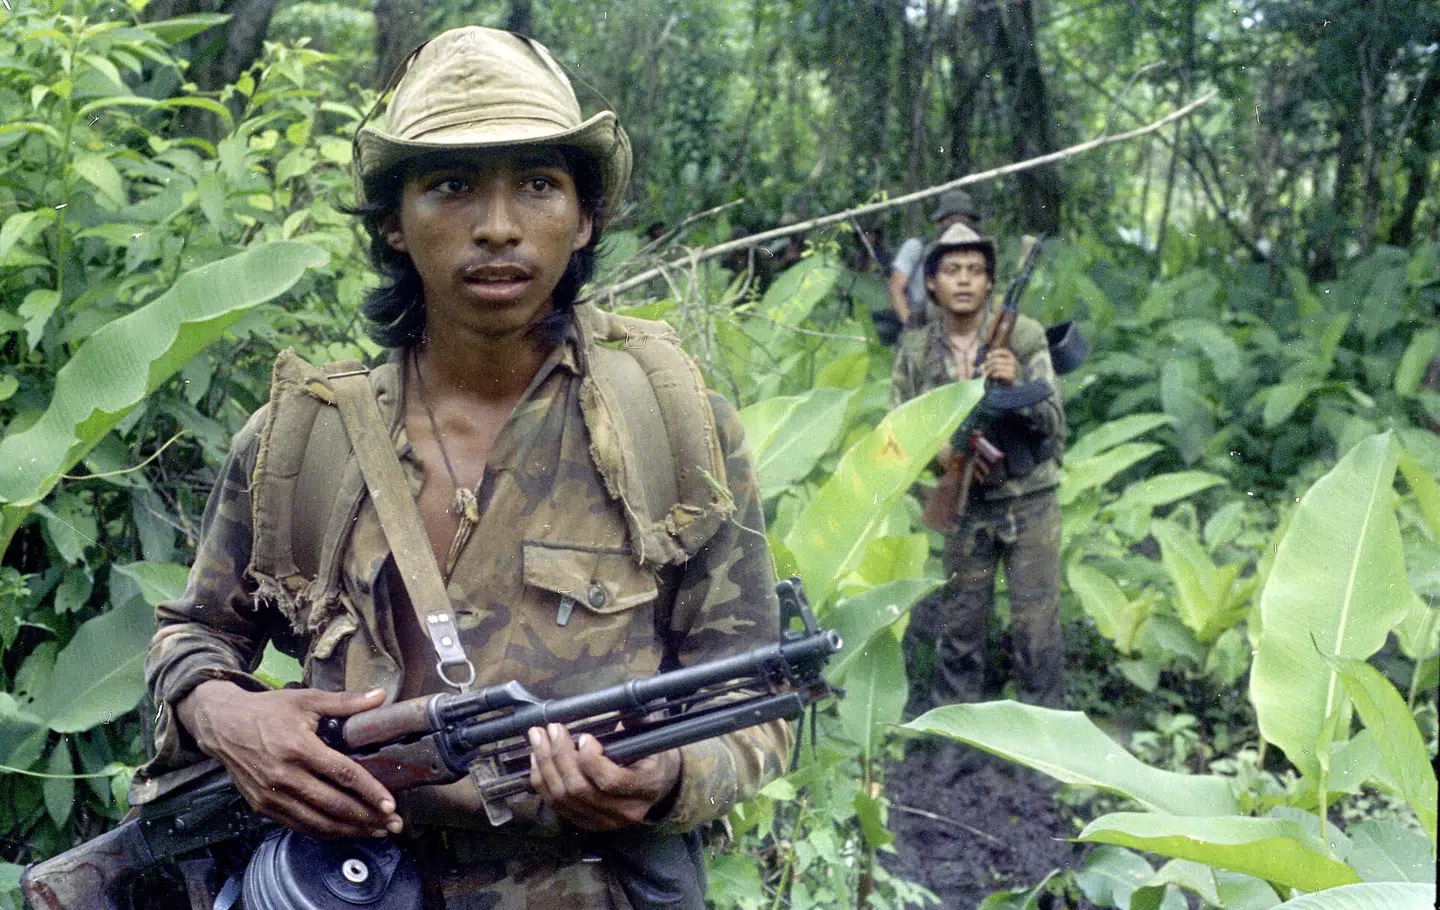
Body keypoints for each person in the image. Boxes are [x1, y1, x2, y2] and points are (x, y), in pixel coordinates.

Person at [136, 26, 790, 907]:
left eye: (538, 184)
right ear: (392, 223)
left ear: (585, 218)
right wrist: (226, 715)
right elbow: (192, 636)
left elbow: (755, 692)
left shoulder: (672, 434)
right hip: (338, 885)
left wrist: (668, 777)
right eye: (452, 185)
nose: (498, 227)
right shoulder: (303, 443)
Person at [890, 222, 1066, 728]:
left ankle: (1045, 740)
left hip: (1029, 500)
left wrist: (1016, 380)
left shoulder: (1023, 335)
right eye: (952, 270)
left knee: (1037, 628)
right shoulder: (916, 349)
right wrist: (944, 455)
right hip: (965, 507)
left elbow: (1054, 418)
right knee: (960, 627)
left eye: (975, 270)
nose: (964, 280)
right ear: (931, 283)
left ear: (990, 282)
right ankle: (956, 737)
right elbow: (897, 428)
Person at [888, 189, 984, 331]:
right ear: (939, 223)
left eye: (963, 221)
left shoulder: (979, 255)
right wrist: (911, 326)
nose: (957, 227)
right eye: (952, 221)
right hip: (920, 322)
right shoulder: (917, 248)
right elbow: (896, 288)